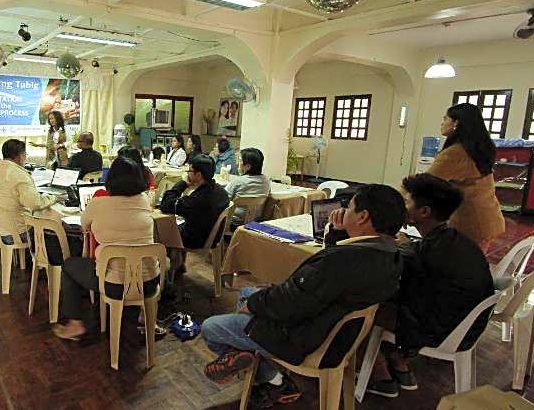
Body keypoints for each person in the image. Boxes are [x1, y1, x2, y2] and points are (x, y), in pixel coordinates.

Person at [200, 184, 404, 409]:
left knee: (211, 328)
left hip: (303, 337)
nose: (344, 211)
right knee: (247, 293)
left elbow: (292, 301)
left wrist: (255, 305)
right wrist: (337, 233)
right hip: (334, 332)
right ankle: (251, 357)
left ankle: (274, 379)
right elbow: (326, 282)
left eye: (350, 207)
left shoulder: (342, 261)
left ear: (363, 216)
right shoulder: (390, 254)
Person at [365, 174, 494, 398]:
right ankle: (400, 362)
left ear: (424, 212)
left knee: (362, 308)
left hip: (441, 331)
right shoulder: (454, 240)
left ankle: (379, 374)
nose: (401, 207)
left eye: (406, 202)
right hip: (466, 326)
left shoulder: (426, 253)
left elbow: (389, 269)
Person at [53, 157, 159, 340]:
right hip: (149, 283)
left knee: (69, 266)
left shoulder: (98, 203)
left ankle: (75, 324)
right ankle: (144, 313)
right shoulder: (144, 200)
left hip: (114, 285)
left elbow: (84, 226)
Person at [428, 103, 504, 252]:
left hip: (472, 222)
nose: (442, 123)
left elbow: (425, 183)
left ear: (456, 123)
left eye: (445, 119)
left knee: (463, 263)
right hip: (488, 217)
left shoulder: (455, 153)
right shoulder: (478, 148)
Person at [0, 139, 59, 250]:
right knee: (53, 229)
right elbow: (35, 204)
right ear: (20, 156)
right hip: (17, 234)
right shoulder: (20, 175)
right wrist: (54, 197)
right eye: (25, 155)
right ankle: (42, 260)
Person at [159, 154, 229, 250]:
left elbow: (165, 205)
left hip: (195, 241)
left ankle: (172, 258)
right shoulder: (222, 191)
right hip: (213, 237)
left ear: (199, 175)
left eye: (189, 171)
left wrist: (183, 183)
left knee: (161, 229)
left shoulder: (196, 200)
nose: (187, 173)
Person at [224, 148, 270, 226]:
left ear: (248, 166)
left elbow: (223, 200)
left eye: (240, 160)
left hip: (232, 222)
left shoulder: (238, 181)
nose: (237, 163)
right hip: (254, 222)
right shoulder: (266, 181)